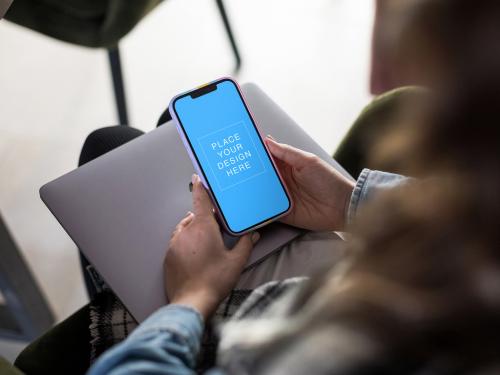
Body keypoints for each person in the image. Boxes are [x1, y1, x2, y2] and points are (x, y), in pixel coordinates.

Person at [85, 0, 500, 373]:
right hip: (345, 276)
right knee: (168, 142)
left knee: (108, 147)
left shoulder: (349, 347)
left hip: (261, 325)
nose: (377, 79)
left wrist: (191, 298)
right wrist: (347, 202)